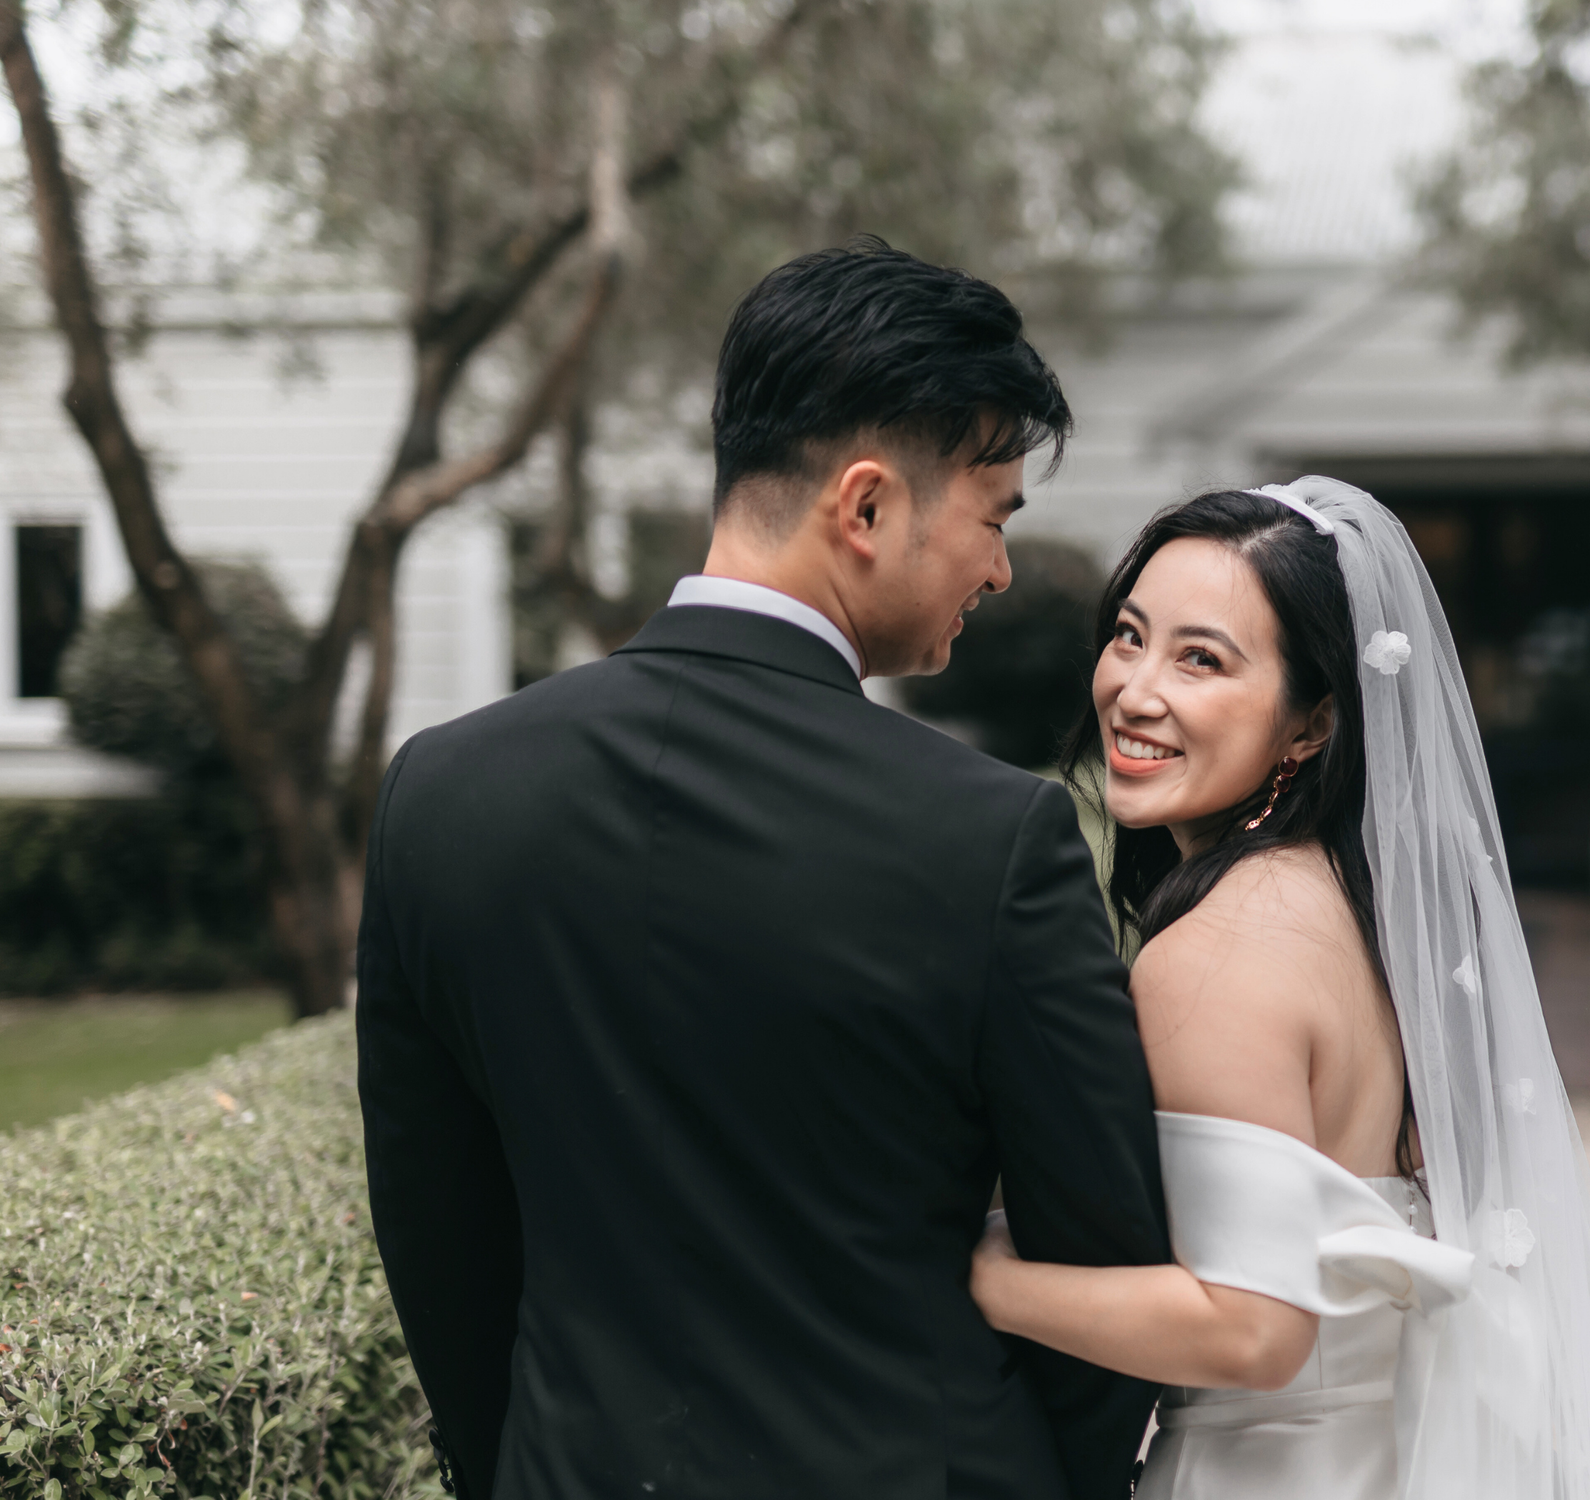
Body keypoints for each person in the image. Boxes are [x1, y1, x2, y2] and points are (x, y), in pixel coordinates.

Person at [356, 241, 1168, 1500]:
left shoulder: (441, 795)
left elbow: (440, 1236)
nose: (1002, 570)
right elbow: (1104, 1270)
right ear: (866, 507)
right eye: (994, 519)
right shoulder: (991, 839)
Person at [970, 479, 1590, 1500]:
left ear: (1309, 726)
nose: (1135, 689)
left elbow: (1253, 1329)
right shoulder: (1370, 916)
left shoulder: (1216, 954)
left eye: (1200, 659)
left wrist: (987, 1277)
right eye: (1129, 637)